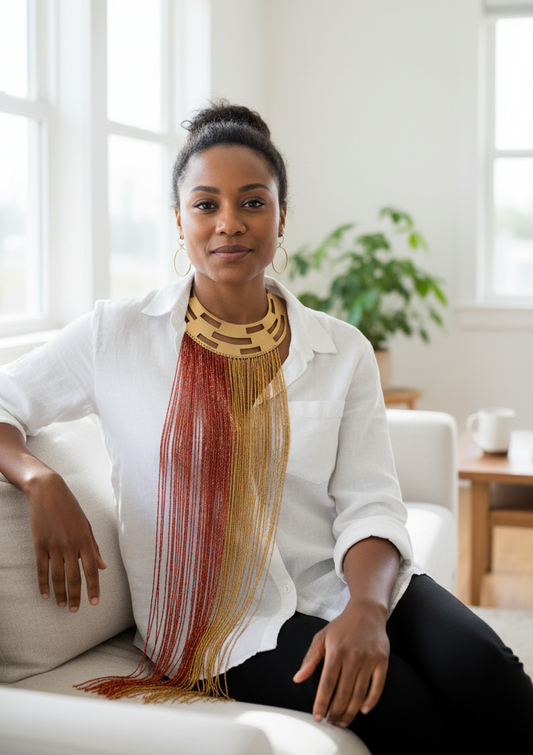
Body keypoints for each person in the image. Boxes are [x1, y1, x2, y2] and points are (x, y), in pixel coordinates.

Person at [0, 102, 531, 754]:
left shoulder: (342, 349)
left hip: (341, 578)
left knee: (491, 678)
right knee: (399, 705)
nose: (229, 222)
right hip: (215, 620)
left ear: (282, 216)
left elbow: (369, 500)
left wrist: (365, 610)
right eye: (205, 204)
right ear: (178, 219)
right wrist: (39, 477)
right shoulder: (116, 335)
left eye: (253, 202)